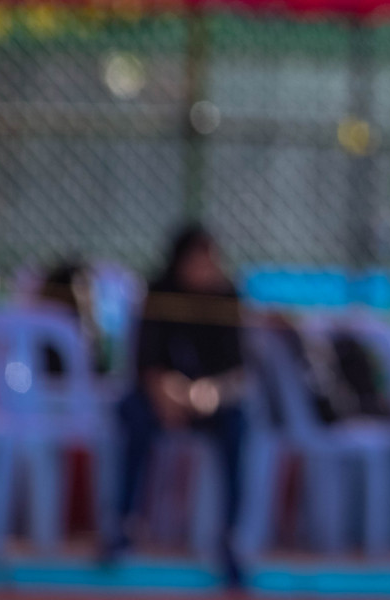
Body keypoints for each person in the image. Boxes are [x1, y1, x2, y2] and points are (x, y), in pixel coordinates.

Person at [106, 223, 247, 586]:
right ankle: (123, 524)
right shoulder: (159, 294)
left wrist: (209, 392)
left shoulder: (226, 297)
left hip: (208, 402)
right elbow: (145, 361)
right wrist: (166, 393)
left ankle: (230, 536)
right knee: (132, 420)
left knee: (238, 426)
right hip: (158, 397)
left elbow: (238, 369)